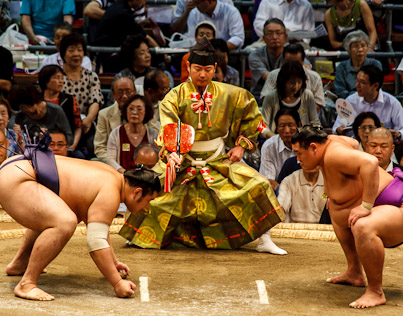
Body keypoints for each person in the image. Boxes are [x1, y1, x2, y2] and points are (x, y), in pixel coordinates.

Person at [119, 38, 286, 255]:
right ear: (188, 67)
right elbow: (169, 125)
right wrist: (171, 153)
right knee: (149, 190)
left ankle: (264, 239)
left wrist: (241, 146)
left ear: (215, 69)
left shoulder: (232, 94)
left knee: (258, 186)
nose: (203, 74)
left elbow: (252, 118)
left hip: (218, 160)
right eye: (198, 69)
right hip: (182, 161)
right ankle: (140, 235)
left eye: (208, 69)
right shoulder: (175, 96)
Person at [291, 126, 403, 308]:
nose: (298, 160)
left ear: (313, 147)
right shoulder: (330, 143)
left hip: (400, 207)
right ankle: (354, 272)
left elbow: (369, 162)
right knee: (335, 208)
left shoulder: (333, 154)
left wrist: (366, 205)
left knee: (362, 224)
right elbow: (352, 142)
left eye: (299, 154)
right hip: (385, 206)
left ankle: (376, 292)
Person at [0, 161, 161, 301]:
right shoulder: (111, 191)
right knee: (65, 221)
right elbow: (96, 242)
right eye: (149, 200)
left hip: (13, 171)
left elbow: (98, 229)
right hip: (19, 180)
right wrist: (117, 283)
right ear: (137, 192)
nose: (146, 207)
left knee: (55, 214)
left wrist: (113, 262)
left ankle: (19, 264)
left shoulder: (112, 177)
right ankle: (27, 284)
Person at [333, 65, 403, 141]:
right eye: (357, 80)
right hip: (356, 146)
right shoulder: (350, 101)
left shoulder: (391, 102)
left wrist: (398, 134)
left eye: (362, 82)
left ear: (375, 85)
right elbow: (336, 128)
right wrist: (339, 130)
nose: (357, 85)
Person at [61, 32, 104, 158]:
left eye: (80, 50)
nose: (76, 54)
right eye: (71, 50)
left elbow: (95, 100)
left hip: (86, 124)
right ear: (63, 53)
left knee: (93, 147)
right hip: (64, 125)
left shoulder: (91, 76)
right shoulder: (58, 76)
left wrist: (89, 119)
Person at [261, 44, 325, 111]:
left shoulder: (314, 77)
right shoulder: (273, 75)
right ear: (283, 60)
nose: (292, 66)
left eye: (296, 63)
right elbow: (265, 99)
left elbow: (318, 104)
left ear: (303, 61)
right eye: (288, 62)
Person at [262, 60, 320, 133]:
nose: (296, 86)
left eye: (299, 82)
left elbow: (315, 123)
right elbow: (262, 126)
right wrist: (272, 137)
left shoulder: (307, 95)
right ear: (283, 81)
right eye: (292, 82)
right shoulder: (271, 97)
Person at [9, 83, 73, 146]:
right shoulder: (20, 115)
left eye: (26, 107)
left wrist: (55, 142)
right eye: (22, 108)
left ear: (35, 102)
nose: (25, 110)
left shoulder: (56, 110)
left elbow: (69, 137)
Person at [106, 94, 158, 172]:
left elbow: (158, 161)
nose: (134, 112)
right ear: (126, 111)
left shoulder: (153, 134)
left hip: (146, 178)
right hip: (122, 176)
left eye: (139, 109)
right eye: (131, 108)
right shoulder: (116, 133)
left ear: (146, 112)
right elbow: (110, 159)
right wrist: (125, 173)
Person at [39, 64, 83, 155]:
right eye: (57, 78)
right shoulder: (37, 101)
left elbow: (78, 127)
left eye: (62, 78)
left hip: (66, 145)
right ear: (46, 81)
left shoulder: (69, 100)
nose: (61, 81)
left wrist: (72, 146)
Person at [94, 76, 137, 162]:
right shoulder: (104, 114)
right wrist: (117, 162)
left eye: (128, 92)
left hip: (140, 160)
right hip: (114, 161)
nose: (124, 96)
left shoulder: (145, 112)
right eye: (120, 92)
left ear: (135, 92)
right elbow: (100, 148)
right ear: (113, 95)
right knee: (94, 161)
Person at [334, 30, 382, 99]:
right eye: (356, 46)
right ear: (349, 50)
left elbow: (376, 88)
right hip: (348, 102)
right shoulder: (342, 67)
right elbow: (340, 91)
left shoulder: (375, 64)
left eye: (363, 46)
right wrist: (356, 97)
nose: (360, 49)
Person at [259, 108, 299, 190]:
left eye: (291, 125)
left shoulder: (306, 145)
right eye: (282, 126)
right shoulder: (269, 146)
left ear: (299, 125)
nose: (287, 131)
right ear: (277, 128)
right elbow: (268, 180)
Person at [248, 18, 287, 102]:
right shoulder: (255, 55)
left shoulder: (291, 53)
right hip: (260, 97)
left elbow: (306, 67)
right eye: (270, 34)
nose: (274, 37)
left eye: (278, 33)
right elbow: (269, 78)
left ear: (285, 36)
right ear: (264, 38)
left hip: (286, 96)